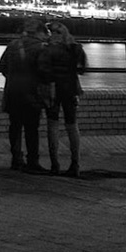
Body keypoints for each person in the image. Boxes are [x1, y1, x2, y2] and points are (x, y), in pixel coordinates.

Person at [36, 20, 87, 177]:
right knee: (72, 125)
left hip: (53, 89)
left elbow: (42, 70)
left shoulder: (48, 49)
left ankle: (55, 164)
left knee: (53, 125)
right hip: (71, 88)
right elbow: (82, 68)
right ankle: (75, 164)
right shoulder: (75, 48)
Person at [0, 17, 47, 172]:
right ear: (40, 32)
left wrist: (13, 78)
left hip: (12, 91)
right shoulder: (41, 47)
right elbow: (44, 71)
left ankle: (16, 159)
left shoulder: (13, 45)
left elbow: (2, 65)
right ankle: (33, 161)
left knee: (15, 126)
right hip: (31, 92)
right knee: (32, 128)